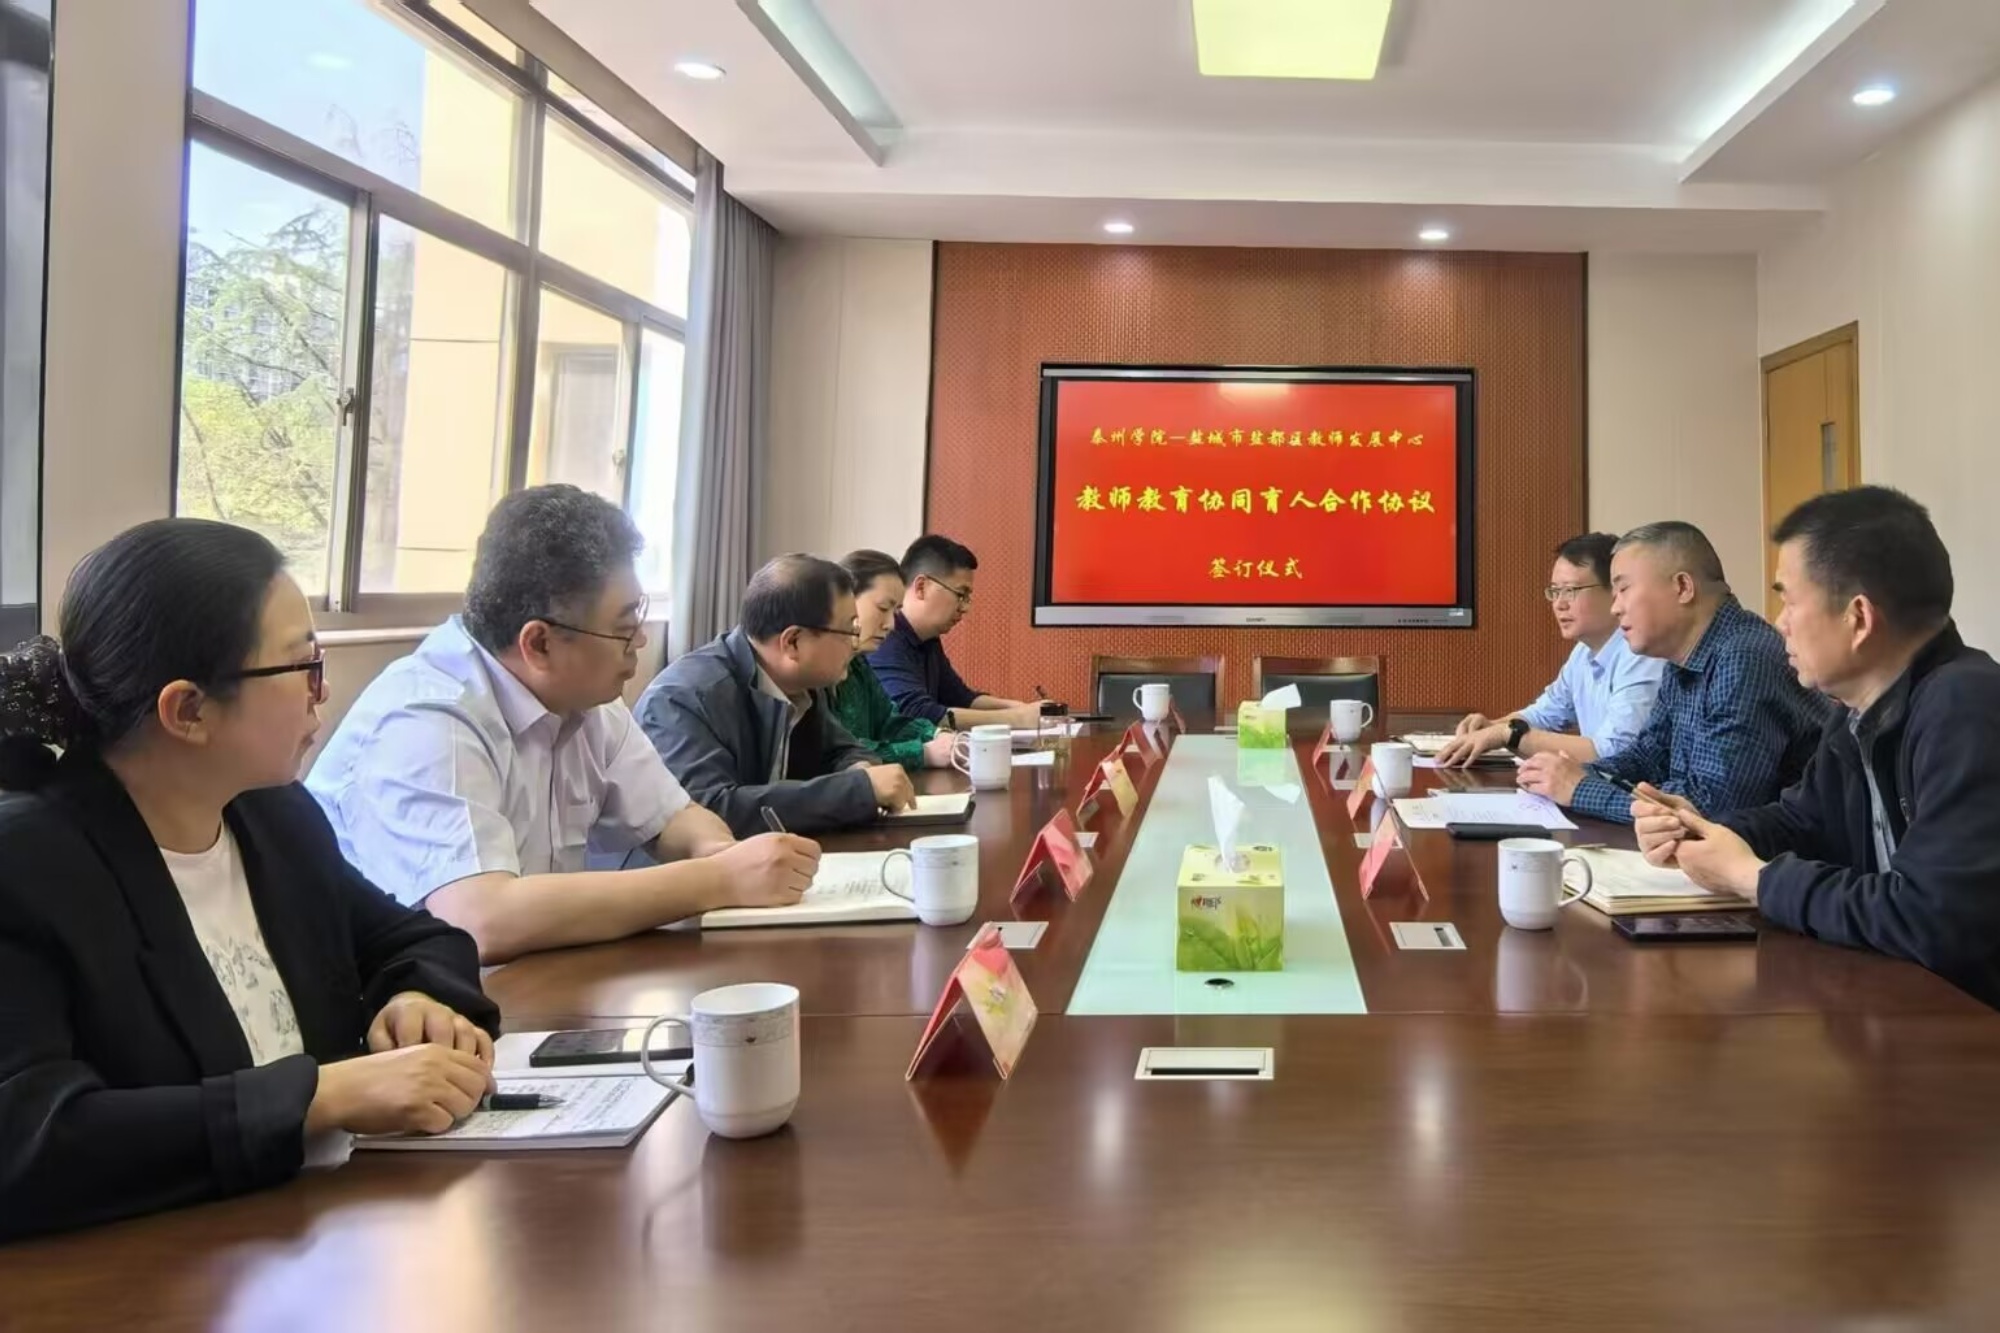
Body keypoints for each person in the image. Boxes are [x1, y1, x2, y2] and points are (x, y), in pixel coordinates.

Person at [0, 519, 502, 1241]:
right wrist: (319, 1096)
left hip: (314, 1237)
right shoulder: (29, 866)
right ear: (188, 710)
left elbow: (414, 936)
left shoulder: (272, 815)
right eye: (303, 667)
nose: (320, 693)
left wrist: (417, 996)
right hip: (156, 1272)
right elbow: (31, 1141)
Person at [308, 486, 819, 964]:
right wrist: (717, 879)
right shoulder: (427, 720)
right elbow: (481, 919)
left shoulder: (587, 704)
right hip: (401, 1010)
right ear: (540, 643)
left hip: (532, 983)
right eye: (624, 629)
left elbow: (674, 817)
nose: (641, 642)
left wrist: (717, 852)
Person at [1634, 488, 2000, 1008]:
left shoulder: (1965, 706)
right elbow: (1801, 823)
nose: (1779, 622)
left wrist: (1753, 878)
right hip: (1897, 1007)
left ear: (1858, 618)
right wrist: (1701, 832)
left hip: (1969, 1026)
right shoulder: (1856, 712)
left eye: (1789, 600)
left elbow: (1932, 919)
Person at [1516, 520, 1832, 822]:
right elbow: (1649, 757)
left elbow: (1710, 808)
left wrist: (1580, 789)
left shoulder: (1744, 657)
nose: (1616, 608)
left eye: (1623, 590)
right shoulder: (1682, 658)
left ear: (1682, 587)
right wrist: (1576, 774)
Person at [637, 555, 918, 837]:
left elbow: (843, 750)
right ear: (793, 641)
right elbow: (712, 810)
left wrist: (862, 771)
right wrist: (856, 790)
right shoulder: (681, 699)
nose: (854, 642)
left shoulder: (802, 685)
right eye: (849, 630)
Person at [1438, 533, 1664, 765]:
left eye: (1571, 590)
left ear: (1613, 592)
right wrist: (1490, 728)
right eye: (1555, 591)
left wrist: (1508, 734)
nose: (1559, 604)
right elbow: (1545, 714)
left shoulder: (1642, 654)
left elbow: (1615, 751)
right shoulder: (1583, 652)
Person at [867, 534, 1050, 730]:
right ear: (921, 587)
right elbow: (916, 713)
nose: (965, 608)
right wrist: (1017, 718)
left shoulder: (927, 639)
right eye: (960, 595)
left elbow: (961, 698)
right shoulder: (884, 638)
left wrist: (1021, 708)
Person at [829, 549, 959, 772]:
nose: (890, 624)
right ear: (846, 602)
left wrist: (937, 734)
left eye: (896, 612)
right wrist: (923, 753)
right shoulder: (818, 671)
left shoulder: (859, 663)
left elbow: (889, 721)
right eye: (882, 608)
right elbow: (841, 753)